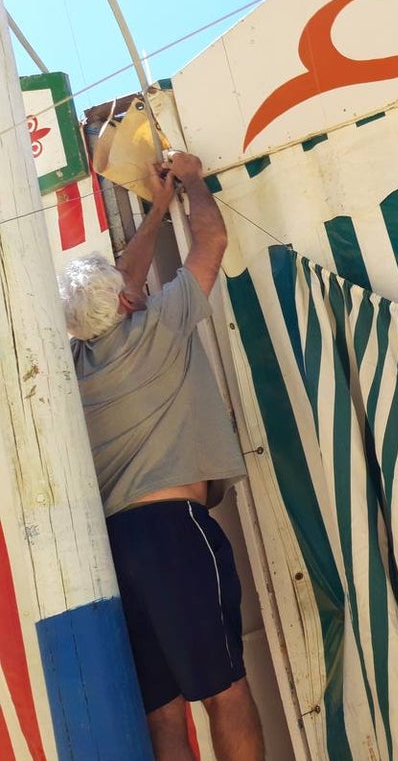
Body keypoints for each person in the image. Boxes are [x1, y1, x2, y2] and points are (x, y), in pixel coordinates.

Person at [58, 152, 263, 761]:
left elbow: (123, 274)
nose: (136, 283)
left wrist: (154, 208)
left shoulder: (76, 369)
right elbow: (214, 237)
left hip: (116, 548)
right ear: (123, 304)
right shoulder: (160, 327)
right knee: (227, 693)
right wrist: (193, 179)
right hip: (175, 534)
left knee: (164, 715)